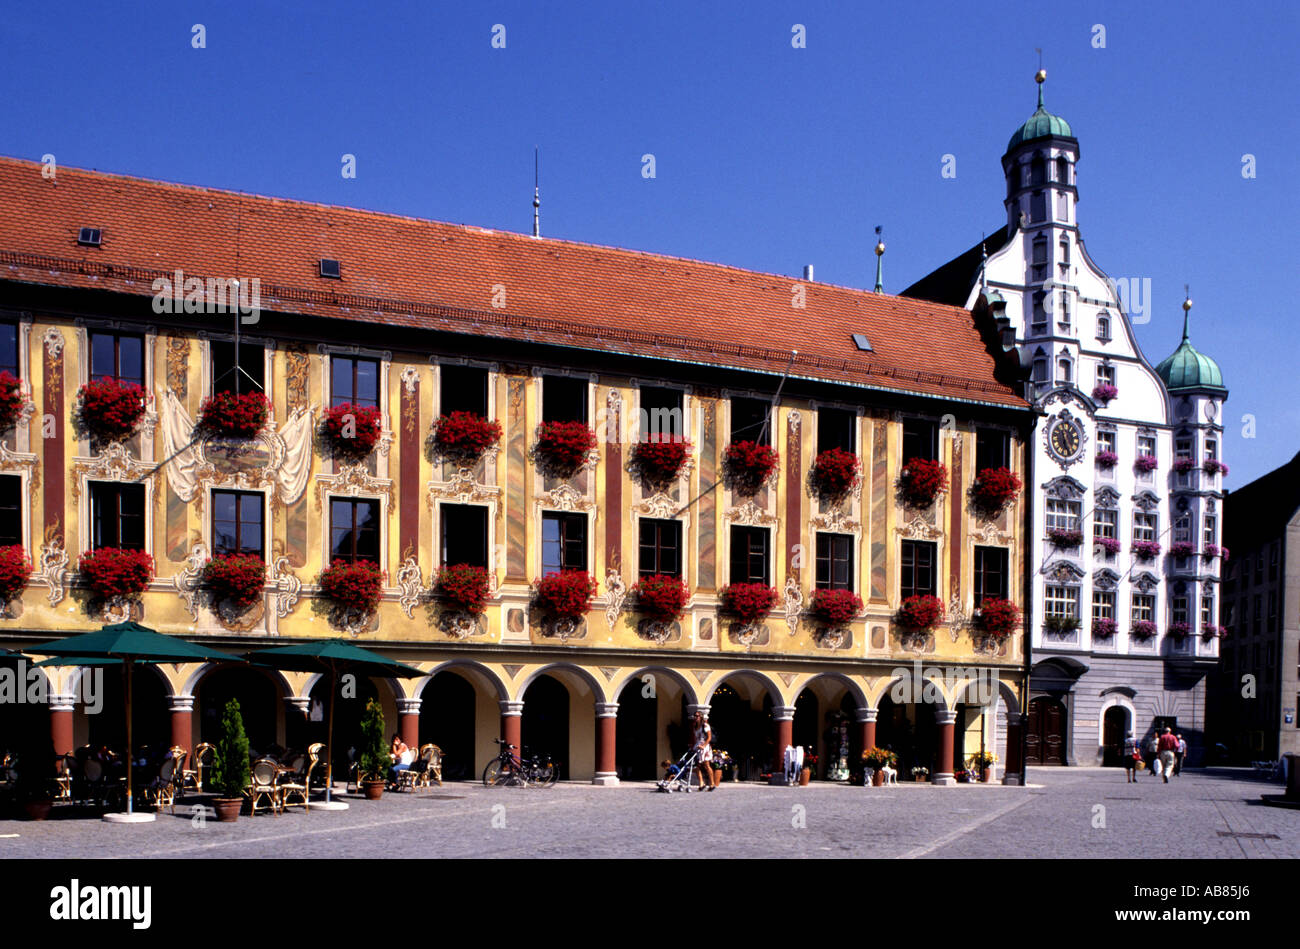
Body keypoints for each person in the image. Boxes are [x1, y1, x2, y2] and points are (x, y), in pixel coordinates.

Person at [690, 710, 715, 791]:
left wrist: (703, 746)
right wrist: (693, 746)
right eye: (695, 716)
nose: (696, 717)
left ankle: (712, 783)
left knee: (706, 765)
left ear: (700, 717)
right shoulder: (694, 726)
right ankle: (701, 783)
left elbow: (709, 737)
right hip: (697, 747)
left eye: (697, 716)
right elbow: (695, 738)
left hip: (705, 747)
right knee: (696, 766)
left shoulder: (705, 725)